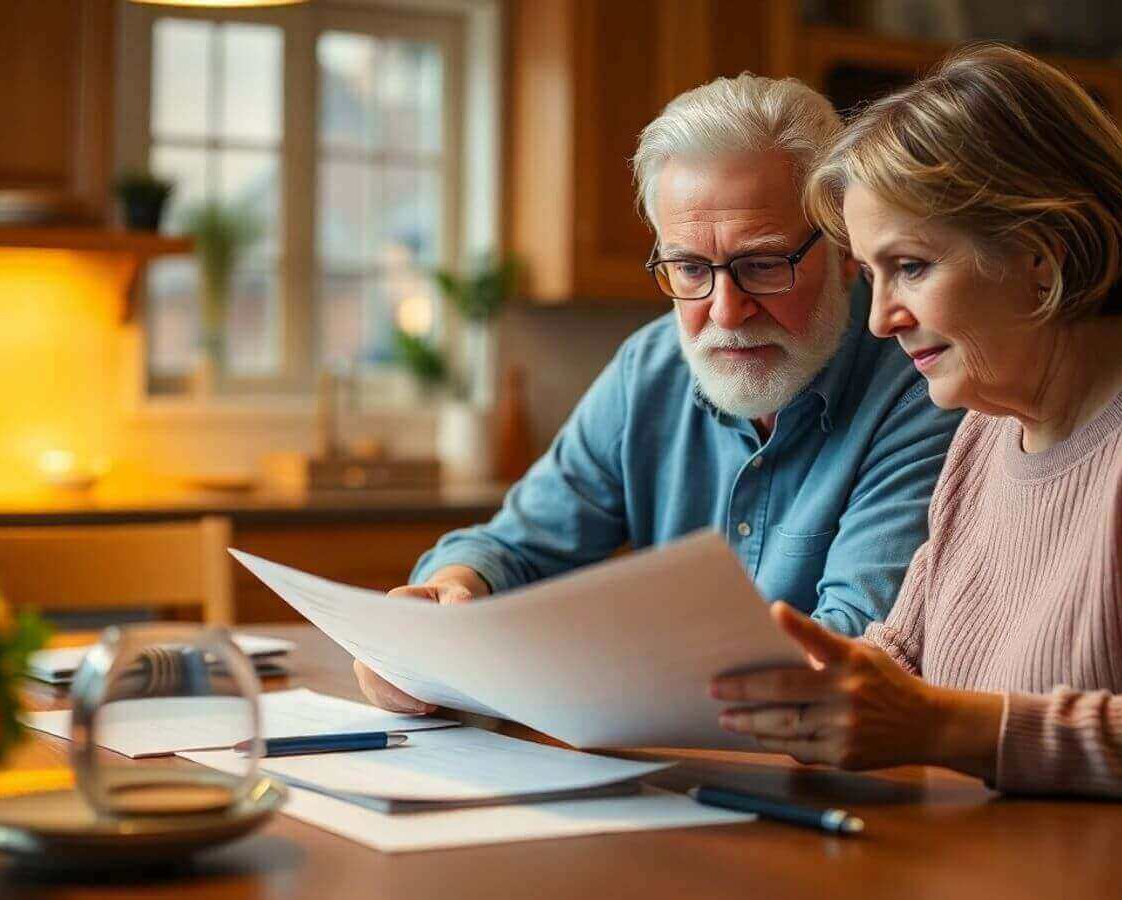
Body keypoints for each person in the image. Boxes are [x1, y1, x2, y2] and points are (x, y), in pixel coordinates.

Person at [356, 75, 962, 715]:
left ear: (845, 249)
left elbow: (844, 651)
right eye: (691, 270)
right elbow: (515, 546)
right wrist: (445, 601)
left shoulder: (919, 383)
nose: (726, 312)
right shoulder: (650, 367)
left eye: (762, 264)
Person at [711, 44, 1122, 800]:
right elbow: (904, 655)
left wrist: (941, 729)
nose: (883, 320)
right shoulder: (988, 425)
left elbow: (928, 715)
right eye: (871, 273)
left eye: (912, 267)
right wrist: (807, 685)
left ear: (1040, 259)